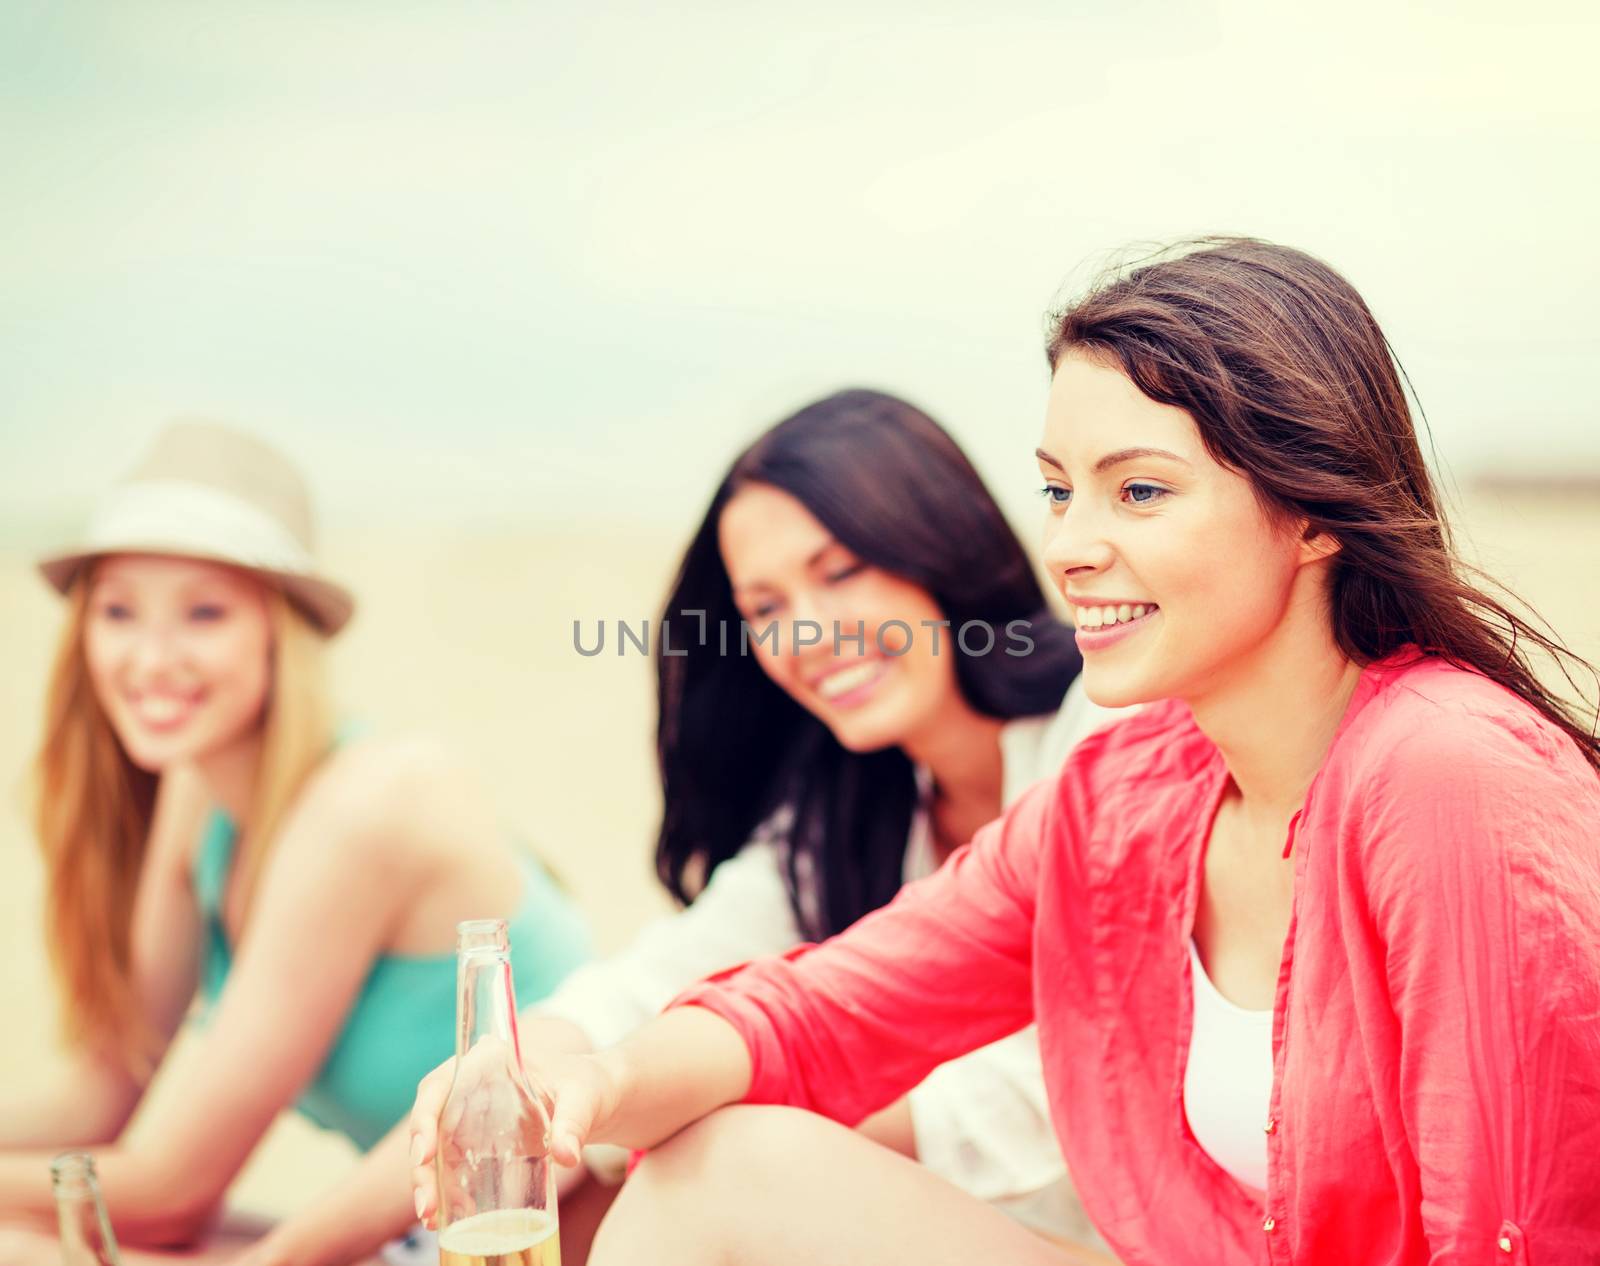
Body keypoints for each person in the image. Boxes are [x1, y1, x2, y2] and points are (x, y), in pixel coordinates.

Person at [412, 241, 1600, 1265]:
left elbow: (1522, 1229)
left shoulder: (1448, 773)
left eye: (1138, 491)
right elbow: (820, 1016)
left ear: (1310, 515)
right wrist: (592, 1088)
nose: (1072, 545)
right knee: (712, 1166)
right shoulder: (1124, 794)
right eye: (1056, 491)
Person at [272, 388, 1122, 1266]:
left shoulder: (1107, 737)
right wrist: (535, 1082)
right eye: (763, 608)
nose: (809, 634)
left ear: (936, 546)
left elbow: (1054, 1093)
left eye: (837, 574)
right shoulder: (846, 814)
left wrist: (698, 1103)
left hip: (1124, 1241)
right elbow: (640, 993)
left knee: (689, 1147)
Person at [0, 423, 591, 1263]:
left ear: (281, 632)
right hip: (411, 1236)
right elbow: (99, 1097)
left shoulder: (363, 808)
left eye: (203, 612)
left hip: (539, 1239)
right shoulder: (197, 783)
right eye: (118, 610)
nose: (150, 657)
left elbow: (169, 1193)